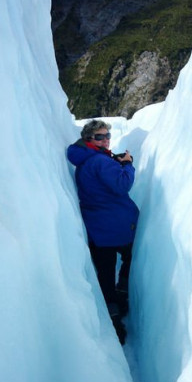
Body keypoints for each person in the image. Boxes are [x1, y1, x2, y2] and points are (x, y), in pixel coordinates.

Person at [67, 120, 139, 344]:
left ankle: (113, 319)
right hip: (117, 226)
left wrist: (112, 160)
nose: (105, 139)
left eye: (107, 135)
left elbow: (102, 175)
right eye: (99, 136)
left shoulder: (86, 160)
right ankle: (124, 293)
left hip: (97, 229)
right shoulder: (99, 160)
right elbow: (121, 185)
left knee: (105, 275)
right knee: (130, 258)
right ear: (89, 139)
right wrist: (127, 165)